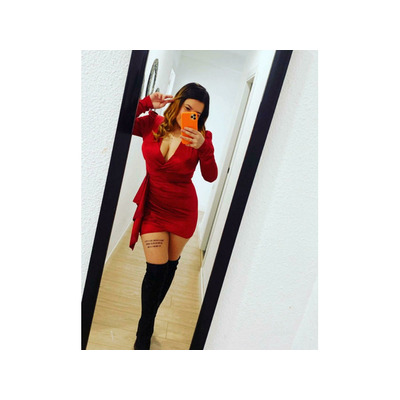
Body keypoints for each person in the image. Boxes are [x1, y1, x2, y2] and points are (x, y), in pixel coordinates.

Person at [130, 82, 218, 349]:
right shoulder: (152, 123)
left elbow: (210, 176)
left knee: (169, 267)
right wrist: (146, 103)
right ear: (177, 103)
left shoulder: (201, 138)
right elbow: (121, 122)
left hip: (182, 212)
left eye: (197, 114)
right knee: (155, 271)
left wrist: (204, 147)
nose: (190, 115)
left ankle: (149, 317)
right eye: (187, 107)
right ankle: (144, 332)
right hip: (153, 209)